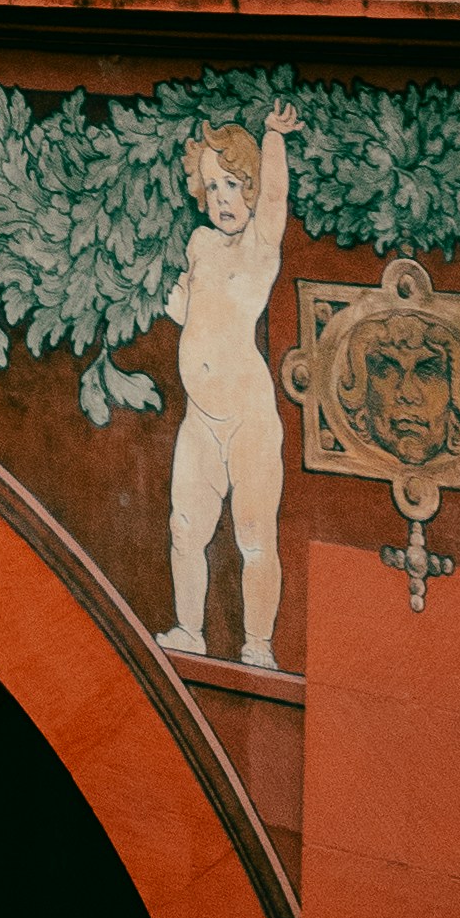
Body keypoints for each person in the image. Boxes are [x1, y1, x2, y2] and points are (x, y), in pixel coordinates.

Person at [156, 108, 291, 666]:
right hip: (200, 418)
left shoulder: (259, 248)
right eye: (212, 186)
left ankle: (258, 645)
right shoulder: (201, 244)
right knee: (185, 526)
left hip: (248, 419)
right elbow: (197, 306)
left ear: (253, 188)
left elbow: (279, 200)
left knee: (254, 536)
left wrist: (275, 139)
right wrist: (184, 308)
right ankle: (190, 629)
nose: (221, 197)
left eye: (232, 184)